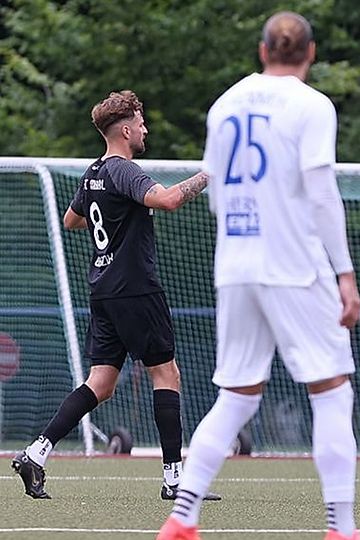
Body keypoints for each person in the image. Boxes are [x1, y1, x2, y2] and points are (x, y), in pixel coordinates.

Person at [157, 12, 360, 540]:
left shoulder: (225, 103)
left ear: (262, 49)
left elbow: (217, 193)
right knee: (332, 391)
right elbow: (320, 194)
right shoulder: (313, 105)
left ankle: (182, 518)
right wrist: (344, 274)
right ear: (310, 53)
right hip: (294, 265)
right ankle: (341, 528)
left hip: (236, 265)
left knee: (237, 396)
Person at [11, 90, 212, 501]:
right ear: (124, 129)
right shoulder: (124, 170)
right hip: (135, 288)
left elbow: (73, 219)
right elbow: (170, 199)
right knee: (166, 374)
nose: (145, 129)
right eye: (140, 123)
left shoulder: (94, 172)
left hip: (103, 288)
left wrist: (114, 220)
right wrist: (211, 174)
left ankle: (36, 453)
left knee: (100, 383)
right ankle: (175, 480)